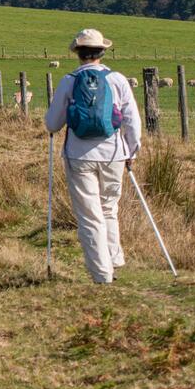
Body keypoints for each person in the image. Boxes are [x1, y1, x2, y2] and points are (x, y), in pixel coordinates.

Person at [44, 28, 141, 285]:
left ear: (78, 53)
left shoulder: (69, 81)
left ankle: (102, 274)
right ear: (101, 51)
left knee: (90, 215)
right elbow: (131, 119)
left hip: (79, 155)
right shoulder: (117, 79)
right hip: (113, 154)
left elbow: (53, 124)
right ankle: (114, 258)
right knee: (109, 207)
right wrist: (132, 150)